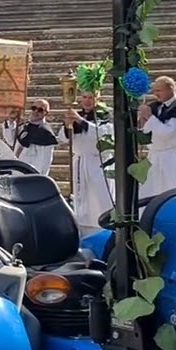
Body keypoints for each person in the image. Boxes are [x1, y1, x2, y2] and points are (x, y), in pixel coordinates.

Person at [59, 65, 115, 230]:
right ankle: (82, 228)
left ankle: (106, 228)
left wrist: (81, 122)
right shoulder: (78, 114)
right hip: (81, 161)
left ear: (98, 97)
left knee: (101, 199)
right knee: (81, 200)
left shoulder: (106, 114)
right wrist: (68, 125)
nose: (87, 101)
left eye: (90, 97)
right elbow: (62, 138)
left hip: (98, 163)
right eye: (84, 97)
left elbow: (105, 135)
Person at [139, 75, 176, 199]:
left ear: (170, 89)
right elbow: (148, 131)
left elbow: (168, 133)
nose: (155, 94)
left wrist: (149, 117)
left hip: (172, 156)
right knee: (150, 191)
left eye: (159, 90)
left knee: (171, 189)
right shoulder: (156, 107)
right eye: (154, 91)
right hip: (155, 155)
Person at [4, 99, 58, 176]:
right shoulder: (25, 126)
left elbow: (46, 160)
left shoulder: (45, 132)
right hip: (17, 170)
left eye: (40, 110)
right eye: (33, 108)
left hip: (32, 173)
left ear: (46, 113)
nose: (36, 111)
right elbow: (10, 140)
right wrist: (11, 121)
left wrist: (41, 177)